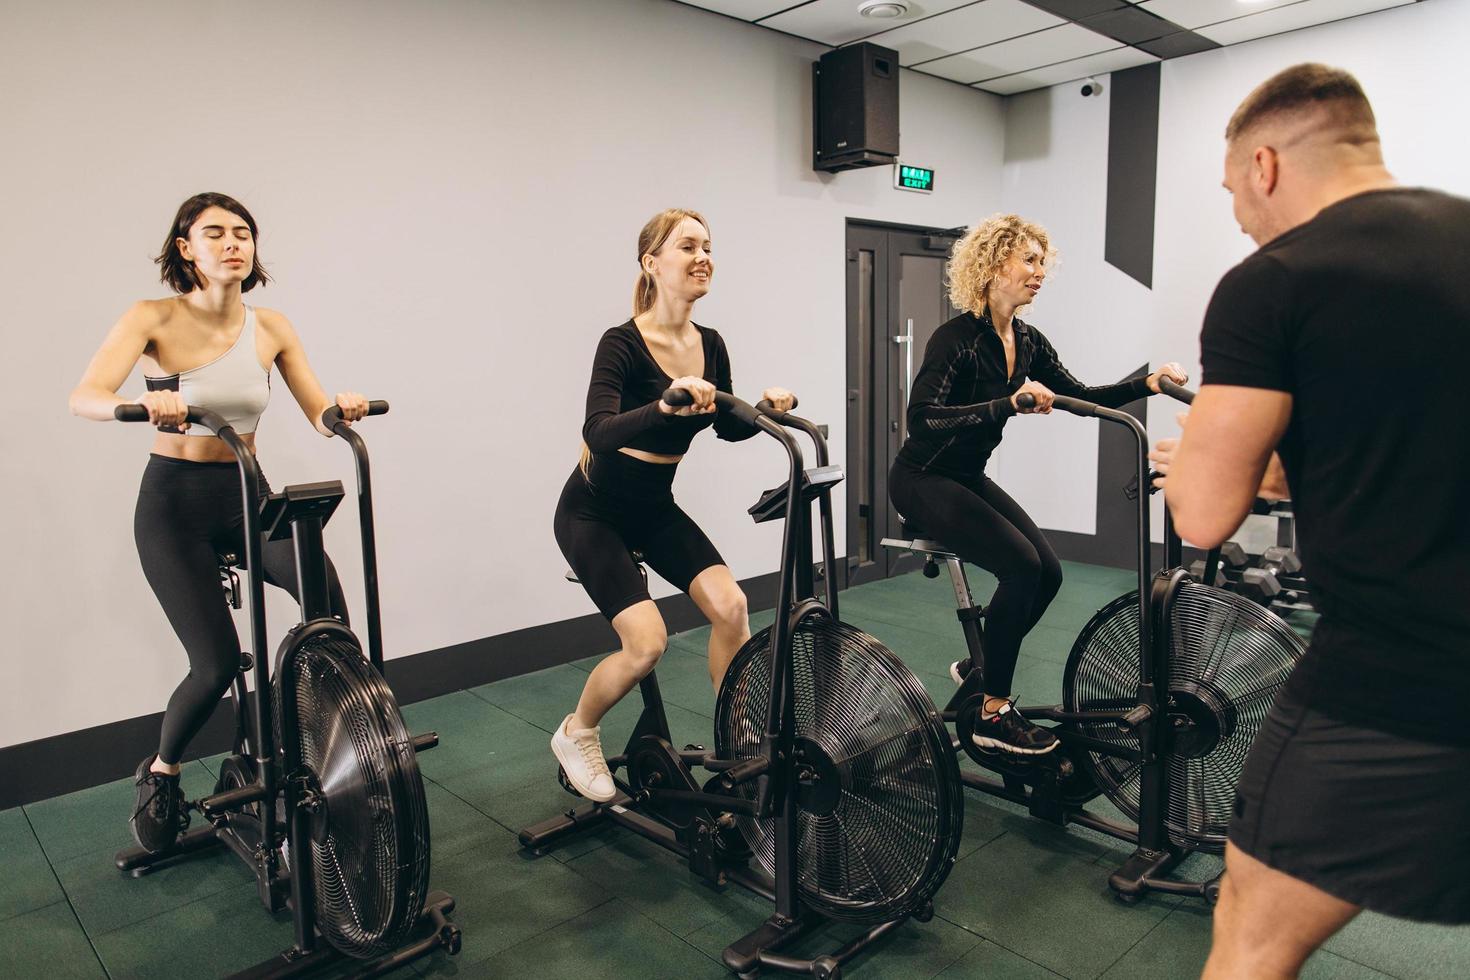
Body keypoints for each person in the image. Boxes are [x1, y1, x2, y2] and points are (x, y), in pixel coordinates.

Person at [1152, 64, 1470, 979]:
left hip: (1396, 682)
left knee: (1251, 928)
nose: (1240, 218)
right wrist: (1300, 473)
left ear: (1265, 164)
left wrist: (1211, 464)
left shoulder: (1273, 281)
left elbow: (1206, 517)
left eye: (1232, 195)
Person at [68, 192, 368, 854]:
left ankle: (268, 725)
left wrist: (338, 409)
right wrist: (139, 408)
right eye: (215, 233)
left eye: (243, 233)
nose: (233, 243)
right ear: (186, 248)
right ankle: (162, 770)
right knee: (212, 663)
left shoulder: (273, 326)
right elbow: (84, 396)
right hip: (174, 505)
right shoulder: (151, 317)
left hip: (245, 493)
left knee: (327, 611)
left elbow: (318, 409)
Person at [889, 213, 1185, 755]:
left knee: (1047, 572)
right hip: (921, 478)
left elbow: (1081, 393)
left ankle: (978, 666)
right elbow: (922, 418)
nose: (1039, 272)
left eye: (1042, 262)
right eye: (1029, 260)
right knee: (1020, 567)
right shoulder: (955, 340)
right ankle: (992, 713)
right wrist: (1007, 403)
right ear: (994, 264)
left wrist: (1148, 384)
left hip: (965, 476)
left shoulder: (1025, 341)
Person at [550, 208, 795, 802]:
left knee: (732, 607)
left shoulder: (711, 345)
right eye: (688, 245)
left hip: (655, 508)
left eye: (708, 245)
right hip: (593, 513)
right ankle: (577, 732)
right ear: (651, 263)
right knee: (647, 642)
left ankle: (737, 738)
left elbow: (725, 430)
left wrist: (762, 410)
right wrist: (664, 406)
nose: (702, 255)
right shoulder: (622, 344)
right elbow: (599, 429)